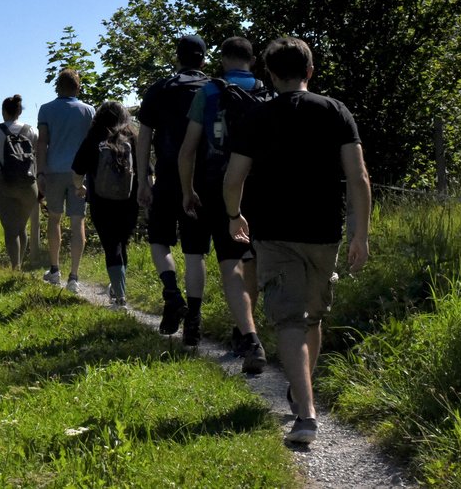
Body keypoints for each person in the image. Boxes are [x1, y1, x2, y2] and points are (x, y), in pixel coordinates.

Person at [223, 37, 371, 445]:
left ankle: (304, 413)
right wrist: (361, 233)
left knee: (289, 318)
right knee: (312, 316)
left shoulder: (255, 118)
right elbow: (358, 177)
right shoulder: (336, 111)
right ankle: (303, 399)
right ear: (310, 71)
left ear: (269, 74)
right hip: (324, 232)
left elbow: (233, 178)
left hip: (273, 233)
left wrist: (235, 216)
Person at [178, 36, 267, 372]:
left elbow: (188, 149)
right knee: (252, 257)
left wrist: (188, 190)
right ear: (252, 59)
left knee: (231, 259)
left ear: (222, 60)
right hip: (260, 183)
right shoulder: (265, 90)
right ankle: (244, 328)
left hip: (218, 183)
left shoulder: (210, 92)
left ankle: (250, 336)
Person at [136, 34, 211, 336]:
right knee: (196, 252)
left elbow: (143, 138)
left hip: (167, 176)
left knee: (159, 240)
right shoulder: (214, 89)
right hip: (203, 180)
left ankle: (172, 294)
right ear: (203, 60)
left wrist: (143, 180)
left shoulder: (160, 89)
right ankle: (193, 319)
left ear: (177, 59)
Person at [71, 101, 138, 308]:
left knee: (111, 246)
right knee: (121, 244)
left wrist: (80, 188)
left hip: (101, 201)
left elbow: (77, 170)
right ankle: (119, 289)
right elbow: (146, 170)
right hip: (129, 201)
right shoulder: (132, 137)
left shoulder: (94, 137)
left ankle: (120, 296)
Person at [36, 68, 95, 293]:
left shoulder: (46, 110)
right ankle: (74, 276)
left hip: (53, 171)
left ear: (58, 87)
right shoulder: (89, 111)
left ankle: (54, 269)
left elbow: (42, 143)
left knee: (54, 219)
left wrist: (40, 172)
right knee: (78, 221)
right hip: (79, 173)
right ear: (78, 87)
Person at [0, 95, 39, 270]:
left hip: (3, 181)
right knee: (21, 226)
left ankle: (15, 266)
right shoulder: (32, 131)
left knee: (10, 227)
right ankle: (20, 265)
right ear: (20, 111)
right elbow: (37, 157)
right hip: (29, 183)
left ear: (3, 111)